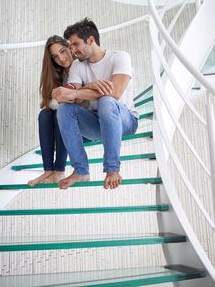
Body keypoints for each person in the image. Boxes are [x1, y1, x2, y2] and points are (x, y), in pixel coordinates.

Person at [52, 18, 138, 190]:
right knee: (64, 110)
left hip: (125, 121)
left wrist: (76, 92)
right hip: (97, 122)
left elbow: (115, 92)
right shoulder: (78, 67)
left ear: (91, 40)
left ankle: (112, 169)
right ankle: (81, 170)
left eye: (75, 44)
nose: (72, 50)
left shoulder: (120, 57)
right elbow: (70, 97)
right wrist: (87, 87)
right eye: (71, 45)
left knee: (107, 100)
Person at [28, 35, 73, 186]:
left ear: (69, 47)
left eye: (62, 51)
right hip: (65, 115)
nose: (61, 58)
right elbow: (49, 102)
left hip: (81, 116)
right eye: (55, 56)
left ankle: (59, 170)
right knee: (45, 114)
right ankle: (48, 169)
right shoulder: (59, 74)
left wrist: (59, 100)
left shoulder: (82, 66)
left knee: (61, 112)